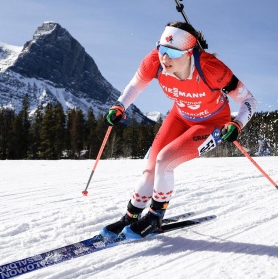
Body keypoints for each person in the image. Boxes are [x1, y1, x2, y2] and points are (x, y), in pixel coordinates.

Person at [100, 21, 257, 240]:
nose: (165, 58)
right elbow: (136, 85)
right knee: (150, 168)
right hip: (179, 117)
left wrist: (237, 124)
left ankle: (155, 217)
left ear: (189, 53)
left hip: (212, 124)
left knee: (165, 161)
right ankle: (131, 216)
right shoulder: (154, 62)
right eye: (162, 49)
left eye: (172, 53)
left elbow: (249, 100)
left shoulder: (212, 69)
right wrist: (120, 105)